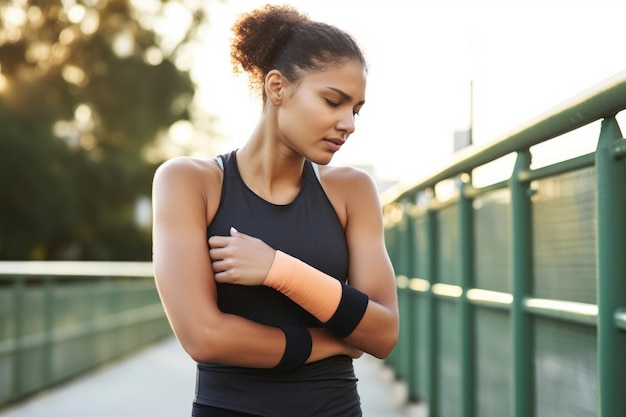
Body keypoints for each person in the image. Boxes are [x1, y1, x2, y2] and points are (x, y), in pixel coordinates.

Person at [152, 4, 399, 416]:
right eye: (333, 101)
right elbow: (205, 337)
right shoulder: (188, 182)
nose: (349, 124)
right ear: (277, 87)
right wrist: (335, 340)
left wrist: (278, 270)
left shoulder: (353, 190)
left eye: (355, 109)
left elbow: (384, 333)